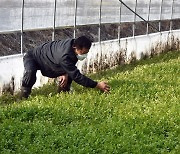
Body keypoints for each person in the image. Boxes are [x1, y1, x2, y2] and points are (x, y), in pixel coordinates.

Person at [20, 36, 110, 98]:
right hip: (33, 57)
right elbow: (77, 76)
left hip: (49, 59)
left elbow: (70, 67)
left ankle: (63, 94)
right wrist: (97, 85)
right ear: (77, 48)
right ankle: (24, 95)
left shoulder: (73, 44)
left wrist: (65, 72)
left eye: (87, 52)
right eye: (84, 52)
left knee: (69, 72)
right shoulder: (65, 56)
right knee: (30, 72)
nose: (85, 55)